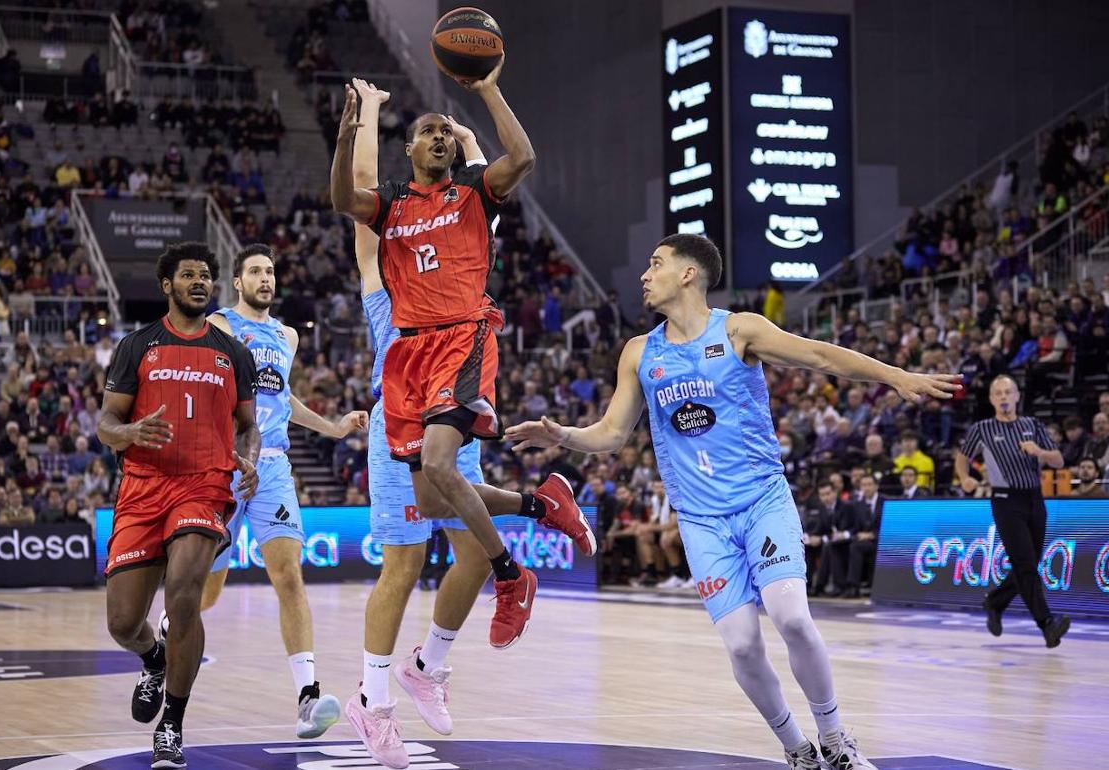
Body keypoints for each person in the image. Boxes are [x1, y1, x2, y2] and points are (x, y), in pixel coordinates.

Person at [506, 233, 962, 770]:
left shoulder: (740, 329)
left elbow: (818, 356)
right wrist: (562, 435)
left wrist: (894, 376)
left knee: (791, 617)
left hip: (761, 499)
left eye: (655, 264)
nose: (644, 275)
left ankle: (835, 737)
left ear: (688, 274)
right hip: (701, 520)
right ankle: (798, 749)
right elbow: (611, 433)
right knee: (743, 645)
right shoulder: (639, 353)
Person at [341, 79, 581, 769]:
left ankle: (429, 666)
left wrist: (470, 123)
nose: (439, 139)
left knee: (473, 546)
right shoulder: (384, 262)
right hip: (402, 408)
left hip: (450, 388)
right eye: (430, 133)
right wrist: (373, 118)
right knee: (405, 562)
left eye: (445, 133)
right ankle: (375, 701)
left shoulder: (464, 223)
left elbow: (490, 173)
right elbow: (361, 192)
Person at [158, 244, 368, 739]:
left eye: (271, 271)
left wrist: (332, 429)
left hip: (272, 465)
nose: (265, 278)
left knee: (289, 576)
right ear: (237, 282)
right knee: (202, 591)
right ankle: (168, 632)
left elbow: (281, 396)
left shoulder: (288, 335)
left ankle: (307, 696)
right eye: (255, 271)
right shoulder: (220, 326)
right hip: (222, 466)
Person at [97, 241, 260, 769]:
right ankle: (153, 656)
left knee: (184, 595)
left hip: (204, 485)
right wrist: (130, 431)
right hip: (143, 487)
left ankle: (172, 723)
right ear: (166, 285)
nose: (199, 282)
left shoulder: (232, 352)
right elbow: (105, 426)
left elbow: (248, 425)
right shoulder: (137, 345)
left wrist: (250, 459)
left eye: (206, 276)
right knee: (123, 623)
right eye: (188, 275)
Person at [955, 374, 1071, 648]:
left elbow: (1059, 460)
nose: (1004, 397)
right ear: (992, 399)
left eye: (1008, 392)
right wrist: (965, 478)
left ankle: (995, 602)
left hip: (1034, 498)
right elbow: (962, 459)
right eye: (999, 393)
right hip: (1006, 501)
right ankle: (1047, 624)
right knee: (1025, 565)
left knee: (1028, 564)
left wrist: (1039, 452)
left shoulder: (1033, 425)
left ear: (1017, 396)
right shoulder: (982, 428)